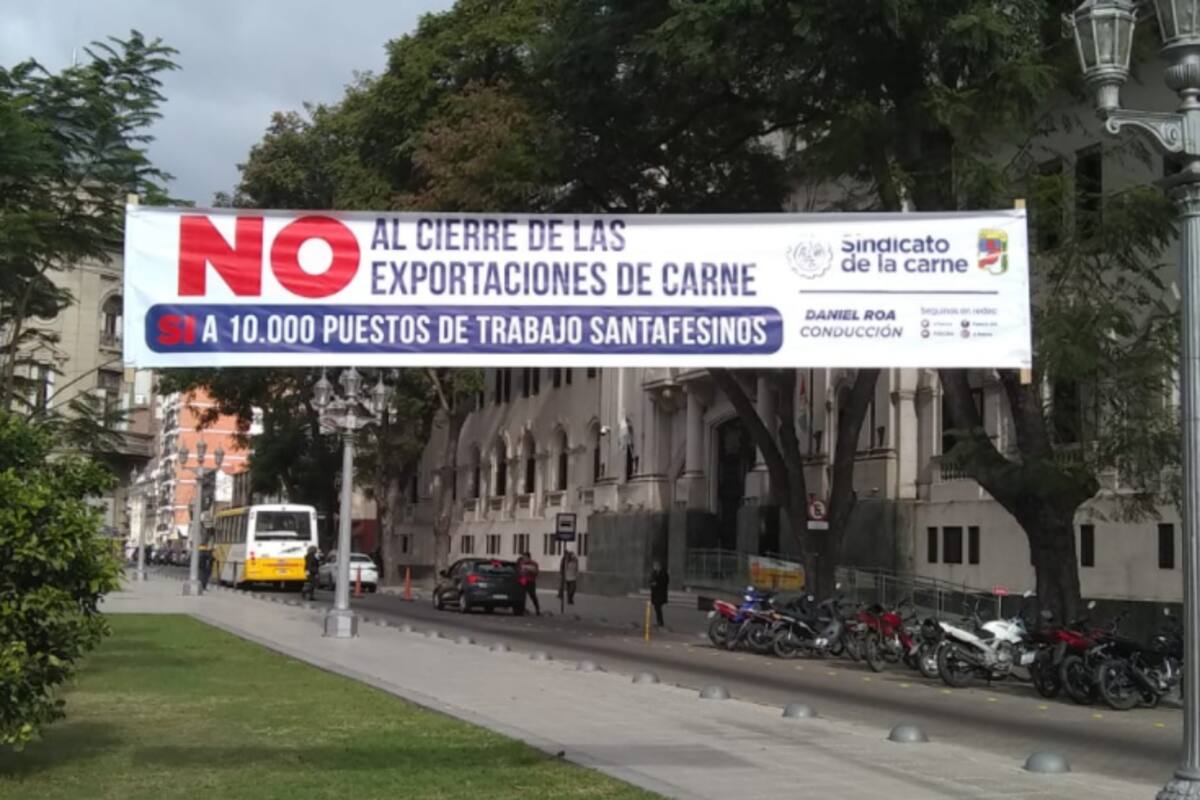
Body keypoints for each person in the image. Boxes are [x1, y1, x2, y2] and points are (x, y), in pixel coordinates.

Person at [517, 551, 541, 615]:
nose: (523, 559)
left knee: (532, 595)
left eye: (524, 557)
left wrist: (528, 569)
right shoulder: (521, 563)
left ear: (528, 557)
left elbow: (536, 572)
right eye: (523, 557)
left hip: (531, 581)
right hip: (523, 581)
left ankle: (537, 609)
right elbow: (519, 571)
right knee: (522, 596)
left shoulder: (533, 563)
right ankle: (522, 609)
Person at [649, 560, 669, 627]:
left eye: (656, 566)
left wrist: (656, 584)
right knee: (656, 608)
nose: (654, 567)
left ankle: (660, 622)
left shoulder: (664, 573)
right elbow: (650, 580)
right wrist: (652, 583)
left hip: (660, 594)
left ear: (659, 566)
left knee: (658, 608)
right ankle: (659, 622)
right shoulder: (654, 573)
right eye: (654, 566)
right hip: (655, 594)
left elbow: (665, 582)